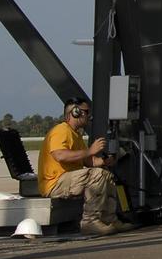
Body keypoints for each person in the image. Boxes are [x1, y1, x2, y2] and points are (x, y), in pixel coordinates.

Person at [38, 97, 127, 236]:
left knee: (107, 175)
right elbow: (60, 155)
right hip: (55, 183)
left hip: (68, 180)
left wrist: (104, 161)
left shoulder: (76, 135)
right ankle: (90, 222)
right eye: (86, 112)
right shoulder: (61, 131)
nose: (89, 115)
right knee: (98, 175)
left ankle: (109, 219)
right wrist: (90, 150)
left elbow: (88, 161)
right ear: (75, 112)